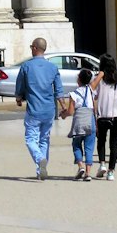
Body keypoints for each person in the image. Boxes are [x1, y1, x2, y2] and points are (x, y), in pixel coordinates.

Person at [14, 36, 62, 179]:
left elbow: (20, 85)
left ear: (35, 48)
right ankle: (41, 170)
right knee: (44, 139)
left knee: (30, 139)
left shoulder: (26, 66)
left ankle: (39, 158)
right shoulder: (53, 67)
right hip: (49, 110)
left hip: (34, 109)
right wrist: (63, 105)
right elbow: (59, 90)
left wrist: (18, 98)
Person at [67, 67, 97, 180]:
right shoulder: (91, 90)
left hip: (79, 122)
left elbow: (70, 111)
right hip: (90, 121)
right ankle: (88, 173)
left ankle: (80, 166)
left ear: (78, 80)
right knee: (89, 147)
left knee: (76, 145)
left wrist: (64, 114)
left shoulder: (73, 94)